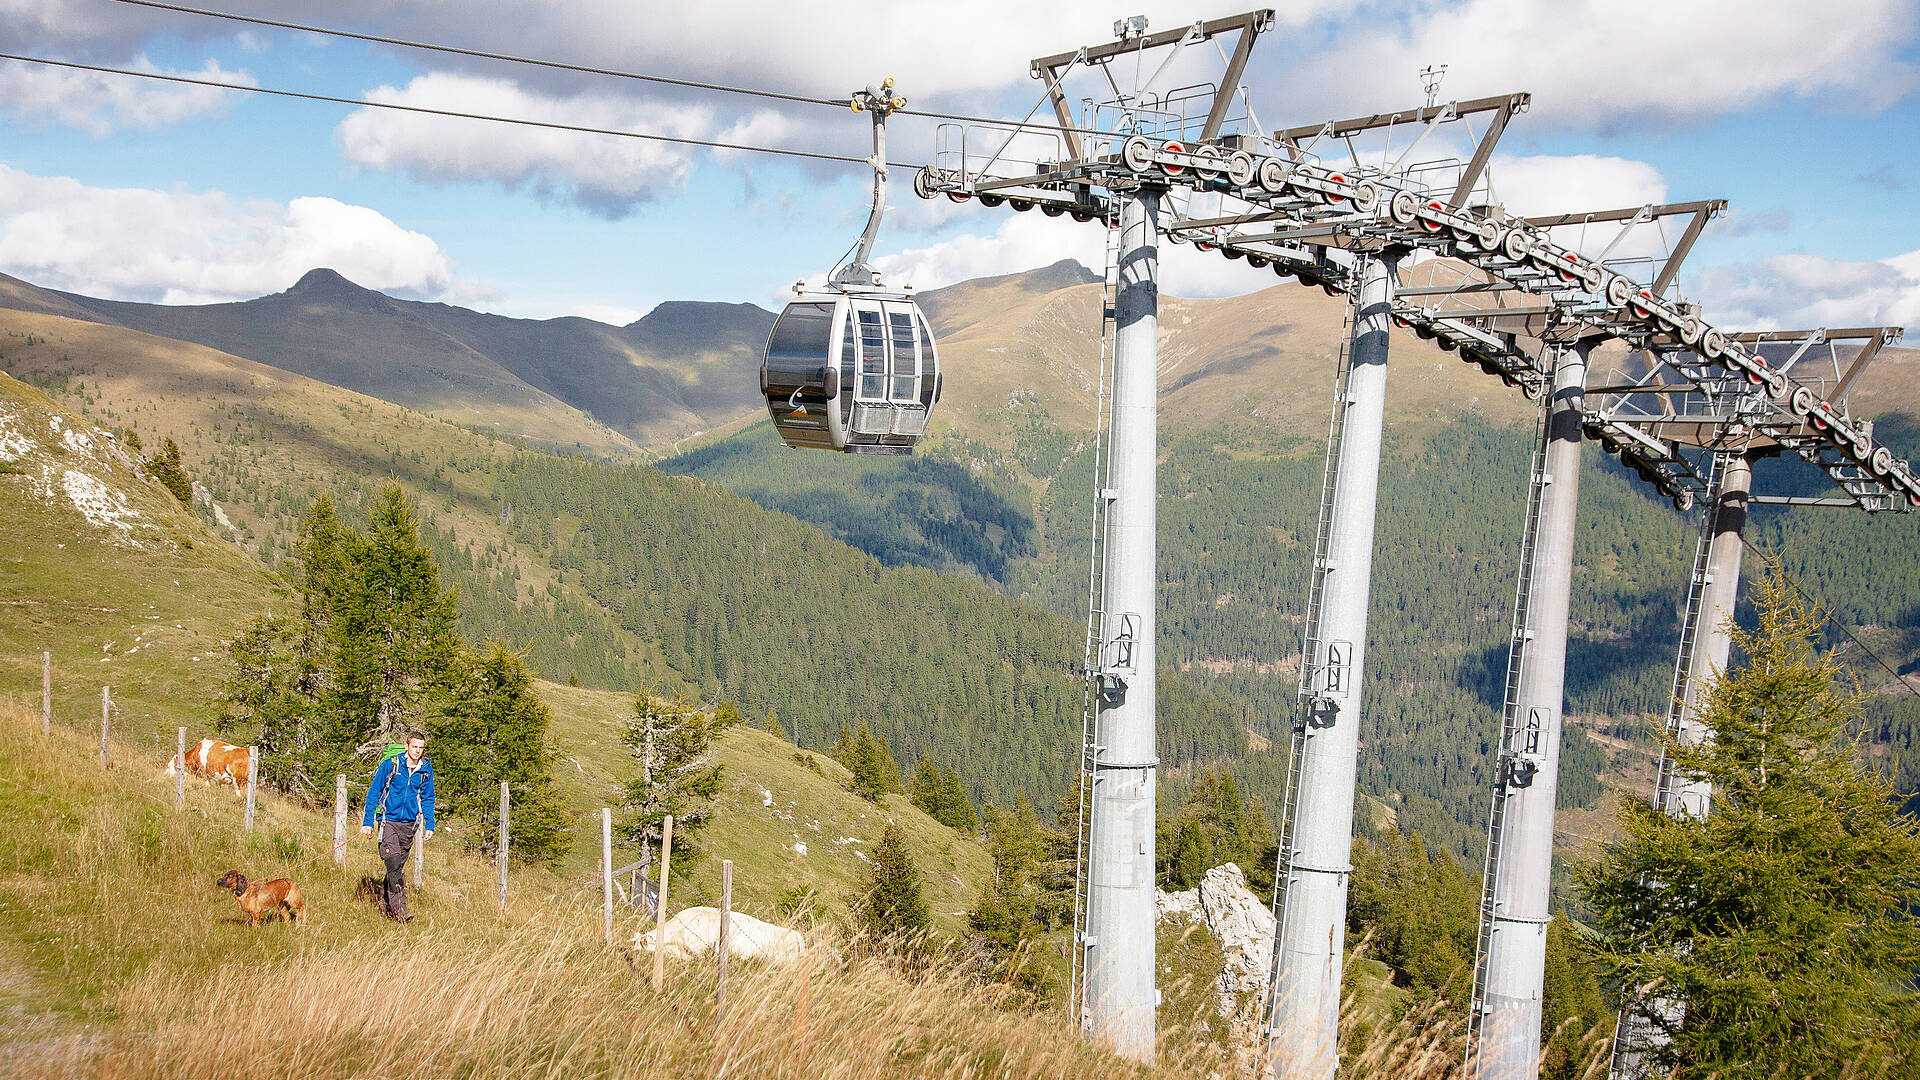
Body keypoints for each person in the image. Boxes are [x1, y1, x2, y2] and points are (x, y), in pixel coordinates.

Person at [361, 731, 435, 922]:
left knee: (396, 867)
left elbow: (428, 798)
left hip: (409, 824)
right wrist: (368, 822)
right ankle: (400, 910)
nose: (417, 751)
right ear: (407, 746)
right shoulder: (392, 764)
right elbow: (374, 792)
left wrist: (430, 824)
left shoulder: (425, 770)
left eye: (420, 748)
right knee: (393, 862)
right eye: (414, 747)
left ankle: (386, 905)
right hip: (389, 821)